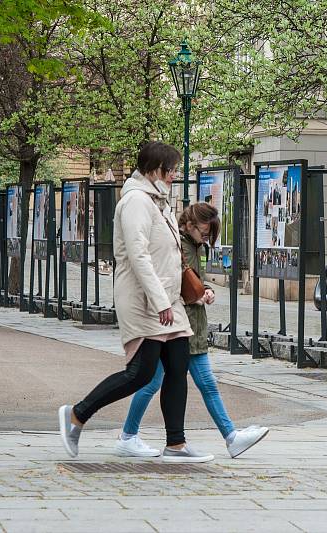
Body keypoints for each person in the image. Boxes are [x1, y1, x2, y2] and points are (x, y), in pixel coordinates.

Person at [59, 141, 213, 463]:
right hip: (145, 303)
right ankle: (77, 414)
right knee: (140, 374)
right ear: (155, 170)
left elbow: (169, 254)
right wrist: (160, 301)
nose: (174, 176)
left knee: (177, 367)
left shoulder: (159, 202)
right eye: (171, 171)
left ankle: (176, 444)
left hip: (168, 302)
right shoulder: (135, 203)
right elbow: (139, 256)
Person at [114, 200, 269, 460]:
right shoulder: (178, 245)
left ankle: (130, 436)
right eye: (204, 232)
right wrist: (195, 296)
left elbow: (191, 277)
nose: (206, 237)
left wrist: (204, 288)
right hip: (176, 326)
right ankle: (130, 436)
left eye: (209, 234)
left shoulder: (192, 245)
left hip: (188, 325)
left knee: (168, 382)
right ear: (189, 224)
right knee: (157, 382)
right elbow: (169, 281)